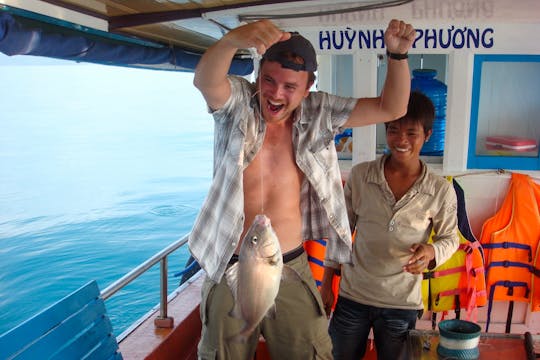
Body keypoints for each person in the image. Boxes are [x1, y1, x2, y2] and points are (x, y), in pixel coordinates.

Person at [190, 18, 416, 359]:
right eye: (268, 80)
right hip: (230, 263)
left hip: (290, 264)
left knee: (312, 351)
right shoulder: (237, 102)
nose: (276, 94)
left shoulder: (320, 110)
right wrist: (232, 40)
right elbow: (205, 80)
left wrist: (397, 57)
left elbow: (392, 107)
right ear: (258, 75)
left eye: (289, 87)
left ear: (308, 87)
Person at [324, 91, 460, 360]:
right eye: (393, 130)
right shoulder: (361, 176)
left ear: (428, 135)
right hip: (353, 296)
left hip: (402, 302)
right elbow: (340, 231)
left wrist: (431, 252)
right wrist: (327, 283)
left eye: (412, 133)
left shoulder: (439, 190)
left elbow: (450, 238)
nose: (401, 140)